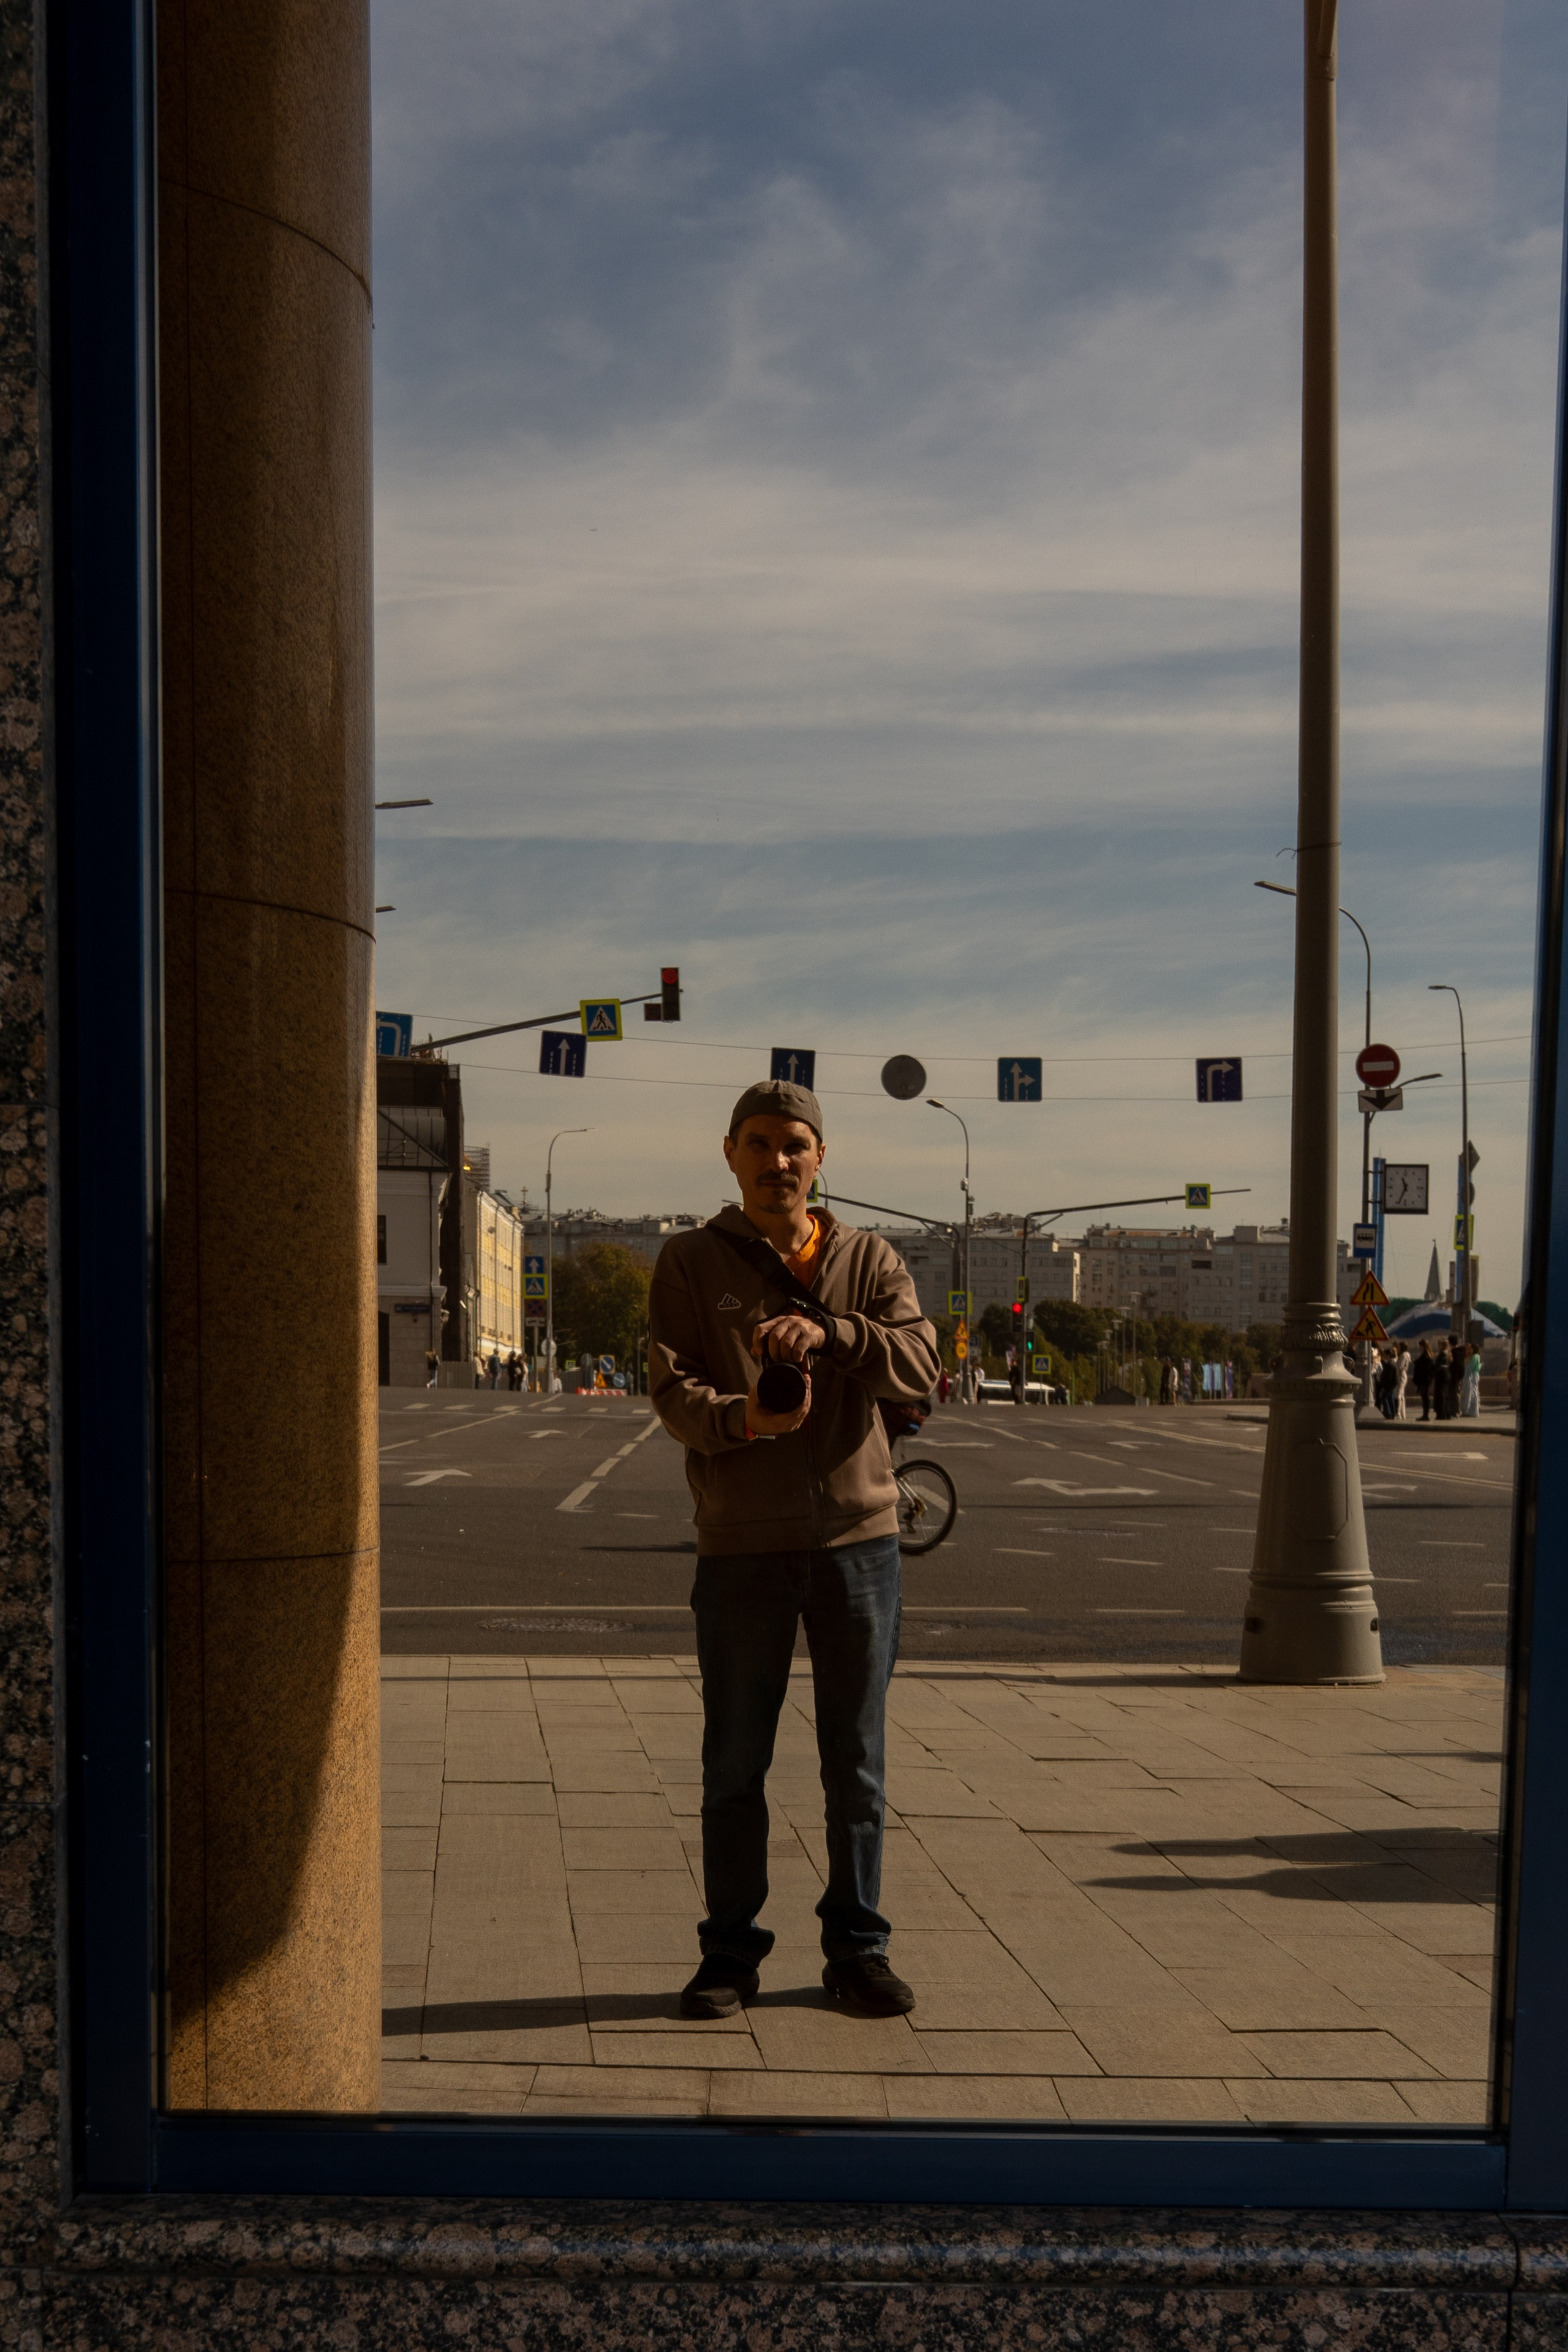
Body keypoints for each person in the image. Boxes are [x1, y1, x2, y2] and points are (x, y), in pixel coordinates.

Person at [649, 1079, 940, 2025]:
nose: (780, 1160)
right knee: (735, 1761)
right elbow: (671, 1389)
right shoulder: (690, 1261)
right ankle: (729, 1953)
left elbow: (921, 1362)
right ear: (730, 1154)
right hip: (741, 1545)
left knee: (855, 1759)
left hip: (860, 1541)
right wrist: (744, 1418)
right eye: (762, 1143)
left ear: (822, 1160)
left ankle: (859, 1949)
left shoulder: (868, 1257)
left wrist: (833, 1331)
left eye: (797, 1145)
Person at [1412, 1338, 1434, 1421]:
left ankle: (1426, 1414)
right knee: (1424, 1396)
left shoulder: (1426, 1356)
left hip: (1424, 1379)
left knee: (1425, 1397)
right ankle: (1425, 1413)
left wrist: (1417, 1363)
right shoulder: (1428, 1356)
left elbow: (1424, 1368)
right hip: (1425, 1379)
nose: (1419, 1348)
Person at [1461, 1341, 1482, 1418]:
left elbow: (1471, 1367)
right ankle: (1469, 1410)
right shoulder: (1476, 1356)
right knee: (1471, 1392)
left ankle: (1471, 1411)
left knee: (1472, 1393)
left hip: (1471, 1376)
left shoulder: (1475, 1357)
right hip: (1472, 1375)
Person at [1395, 1344, 1411, 1422]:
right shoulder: (1406, 1355)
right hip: (1402, 1375)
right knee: (1402, 1395)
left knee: (1399, 1394)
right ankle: (1402, 1414)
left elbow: (1400, 1366)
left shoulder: (1404, 1356)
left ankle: (1398, 1413)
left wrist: (1395, 1363)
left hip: (1401, 1375)